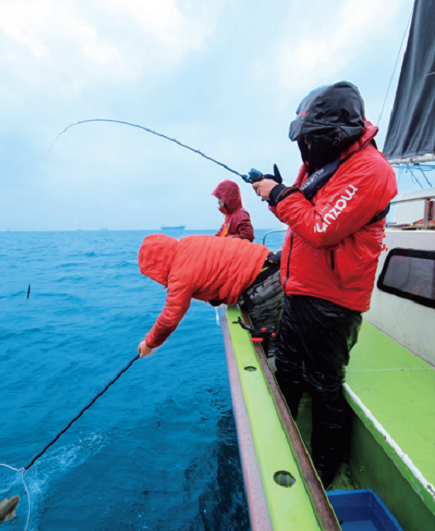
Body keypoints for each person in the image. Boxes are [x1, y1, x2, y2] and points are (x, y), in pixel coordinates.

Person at [252, 81, 397, 489]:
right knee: (290, 368)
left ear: (334, 136)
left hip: (332, 302)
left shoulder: (371, 171)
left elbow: (319, 227)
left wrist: (279, 194)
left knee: (324, 386)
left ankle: (322, 473)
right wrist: (277, 190)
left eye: (311, 138)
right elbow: (306, 204)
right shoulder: (327, 161)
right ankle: (279, 433)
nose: (306, 147)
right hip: (300, 289)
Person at [137, 234, 283, 357]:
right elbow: (214, 268)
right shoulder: (189, 242)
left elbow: (170, 317)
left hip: (263, 287)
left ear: (156, 266)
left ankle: (282, 386)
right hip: (273, 266)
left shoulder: (179, 274)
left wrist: (150, 343)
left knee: (268, 346)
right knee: (290, 330)